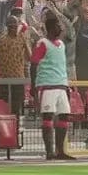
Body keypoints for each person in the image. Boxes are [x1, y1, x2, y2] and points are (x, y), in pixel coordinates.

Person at [31, 12, 77, 160]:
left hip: (61, 85)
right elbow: (34, 64)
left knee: (64, 116)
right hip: (47, 85)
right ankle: (49, 151)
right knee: (48, 116)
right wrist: (33, 86)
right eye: (58, 26)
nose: (61, 28)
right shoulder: (43, 43)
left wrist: (67, 84)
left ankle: (60, 151)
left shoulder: (61, 44)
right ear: (51, 28)